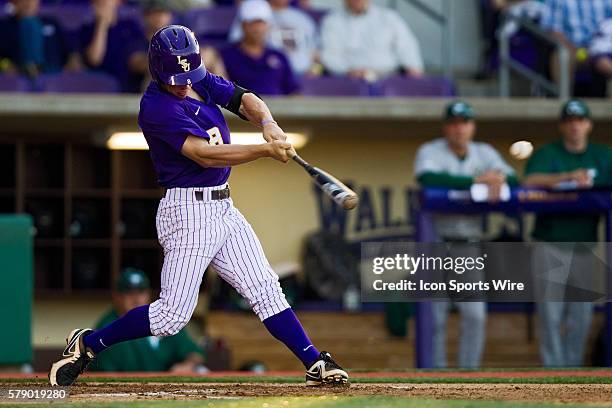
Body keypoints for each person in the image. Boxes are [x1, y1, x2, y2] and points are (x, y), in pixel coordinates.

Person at [48, 24, 348, 387]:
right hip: (187, 213)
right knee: (171, 318)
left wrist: (268, 123)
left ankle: (314, 362)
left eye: (187, 75)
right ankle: (89, 343)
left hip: (223, 207)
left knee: (266, 289)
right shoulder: (156, 107)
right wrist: (264, 149)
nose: (183, 83)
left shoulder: (197, 77)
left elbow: (244, 98)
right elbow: (204, 155)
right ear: (158, 70)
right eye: (175, 77)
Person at [414, 101, 518, 369]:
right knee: (434, 318)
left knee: (475, 315)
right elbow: (428, 179)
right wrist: (477, 181)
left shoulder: (483, 152)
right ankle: (432, 378)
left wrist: (497, 179)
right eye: (454, 123)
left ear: (472, 127)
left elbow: (514, 179)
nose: (459, 128)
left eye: (464, 123)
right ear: (446, 127)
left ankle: (468, 376)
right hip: (434, 244)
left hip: (468, 245)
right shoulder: (431, 150)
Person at [523, 100, 611, 367]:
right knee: (550, 314)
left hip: (585, 244)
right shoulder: (548, 153)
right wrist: (566, 177)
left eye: (580, 120)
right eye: (570, 120)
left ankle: (573, 372)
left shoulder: (603, 155)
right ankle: (552, 372)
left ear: (588, 124)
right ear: (562, 125)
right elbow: (529, 181)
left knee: (581, 314)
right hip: (550, 242)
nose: (575, 125)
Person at [91, 268, 205, 372]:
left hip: (164, 388)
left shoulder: (162, 318)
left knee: (201, 370)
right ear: (116, 296)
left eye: (141, 292)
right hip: (128, 390)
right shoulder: (107, 328)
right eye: (129, 293)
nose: (136, 298)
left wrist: (188, 364)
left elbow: (194, 353)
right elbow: (104, 374)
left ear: (148, 294)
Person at [125, 0, 227, 93]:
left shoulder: (178, 36)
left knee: (210, 55)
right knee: (158, 70)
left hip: (183, 82)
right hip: (151, 88)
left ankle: (224, 97)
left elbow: (208, 54)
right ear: (145, 16)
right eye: (155, 13)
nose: (159, 17)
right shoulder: (138, 37)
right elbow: (135, 63)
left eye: (163, 12)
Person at [320, 0, 423, 81]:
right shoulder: (332, 21)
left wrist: (413, 66)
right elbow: (330, 54)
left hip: (389, 77)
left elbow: (407, 45)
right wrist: (347, 71)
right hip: (349, 80)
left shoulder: (389, 17)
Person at [221, 0, 300, 95]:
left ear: (268, 25)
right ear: (243, 25)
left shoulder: (280, 57)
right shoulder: (227, 56)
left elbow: (293, 91)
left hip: (278, 109)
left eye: (261, 23)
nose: (257, 28)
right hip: (240, 108)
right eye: (252, 23)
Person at [229, 0, 319, 76]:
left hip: (302, 75)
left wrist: (314, 70)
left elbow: (315, 53)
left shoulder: (303, 19)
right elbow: (240, 47)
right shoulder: (253, 10)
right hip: (266, 73)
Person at [540, 0, 612, 87]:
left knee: (605, 61)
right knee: (563, 56)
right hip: (574, 49)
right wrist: (575, 50)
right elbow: (552, 30)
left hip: (604, 48)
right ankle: (564, 99)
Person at [0, 0, 79, 77]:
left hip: (53, 79)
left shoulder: (51, 22)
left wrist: (70, 66)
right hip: (18, 80)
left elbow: (70, 54)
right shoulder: (4, 27)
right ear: (13, 1)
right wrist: (6, 66)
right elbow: (2, 60)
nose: (28, 3)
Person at [79, 0, 145, 91]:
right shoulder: (87, 29)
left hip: (130, 84)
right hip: (100, 88)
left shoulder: (130, 26)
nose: (104, 2)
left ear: (118, 2)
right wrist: (102, 24)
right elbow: (94, 59)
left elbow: (136, 58)